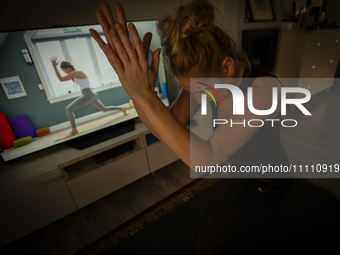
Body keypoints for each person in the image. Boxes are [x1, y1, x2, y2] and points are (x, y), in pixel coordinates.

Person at [90, 1, 294, 253]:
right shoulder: (204, 81)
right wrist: (137, 91)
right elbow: (163, 130)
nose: (197, 100)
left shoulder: (265, 91)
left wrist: (145, 97)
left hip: (267, 180)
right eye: (190, 91)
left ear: (228, 66)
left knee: (211, 237)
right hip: (240, 170)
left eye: (201, 91)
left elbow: (205, 159)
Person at [50, 57, 127, 137]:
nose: (65, 72)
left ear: (68, 67)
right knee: (104, 109)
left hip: (88, 94)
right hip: (91, 93)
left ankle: (74, 130)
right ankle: (122, 108)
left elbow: (61, 79)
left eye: (64, 70)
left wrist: (54, 67)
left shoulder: (75, 72)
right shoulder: (75, 73)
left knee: (68, 109)